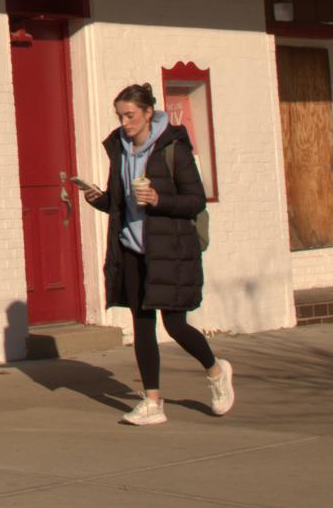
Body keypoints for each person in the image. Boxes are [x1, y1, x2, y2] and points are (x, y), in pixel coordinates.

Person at [74, 82, 235, 426]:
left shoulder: (173, 148)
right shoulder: (119, 147)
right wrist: (97, 198)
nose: (125, 122)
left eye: (131, 115)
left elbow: (195, 200)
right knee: (142, 325)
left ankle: (216, 370)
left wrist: (160, 201)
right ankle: (152, 402)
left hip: (168, 248)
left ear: (149, 113)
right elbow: (120, 201)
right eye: (120, 116)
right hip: (133, 248)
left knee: (175, 325)